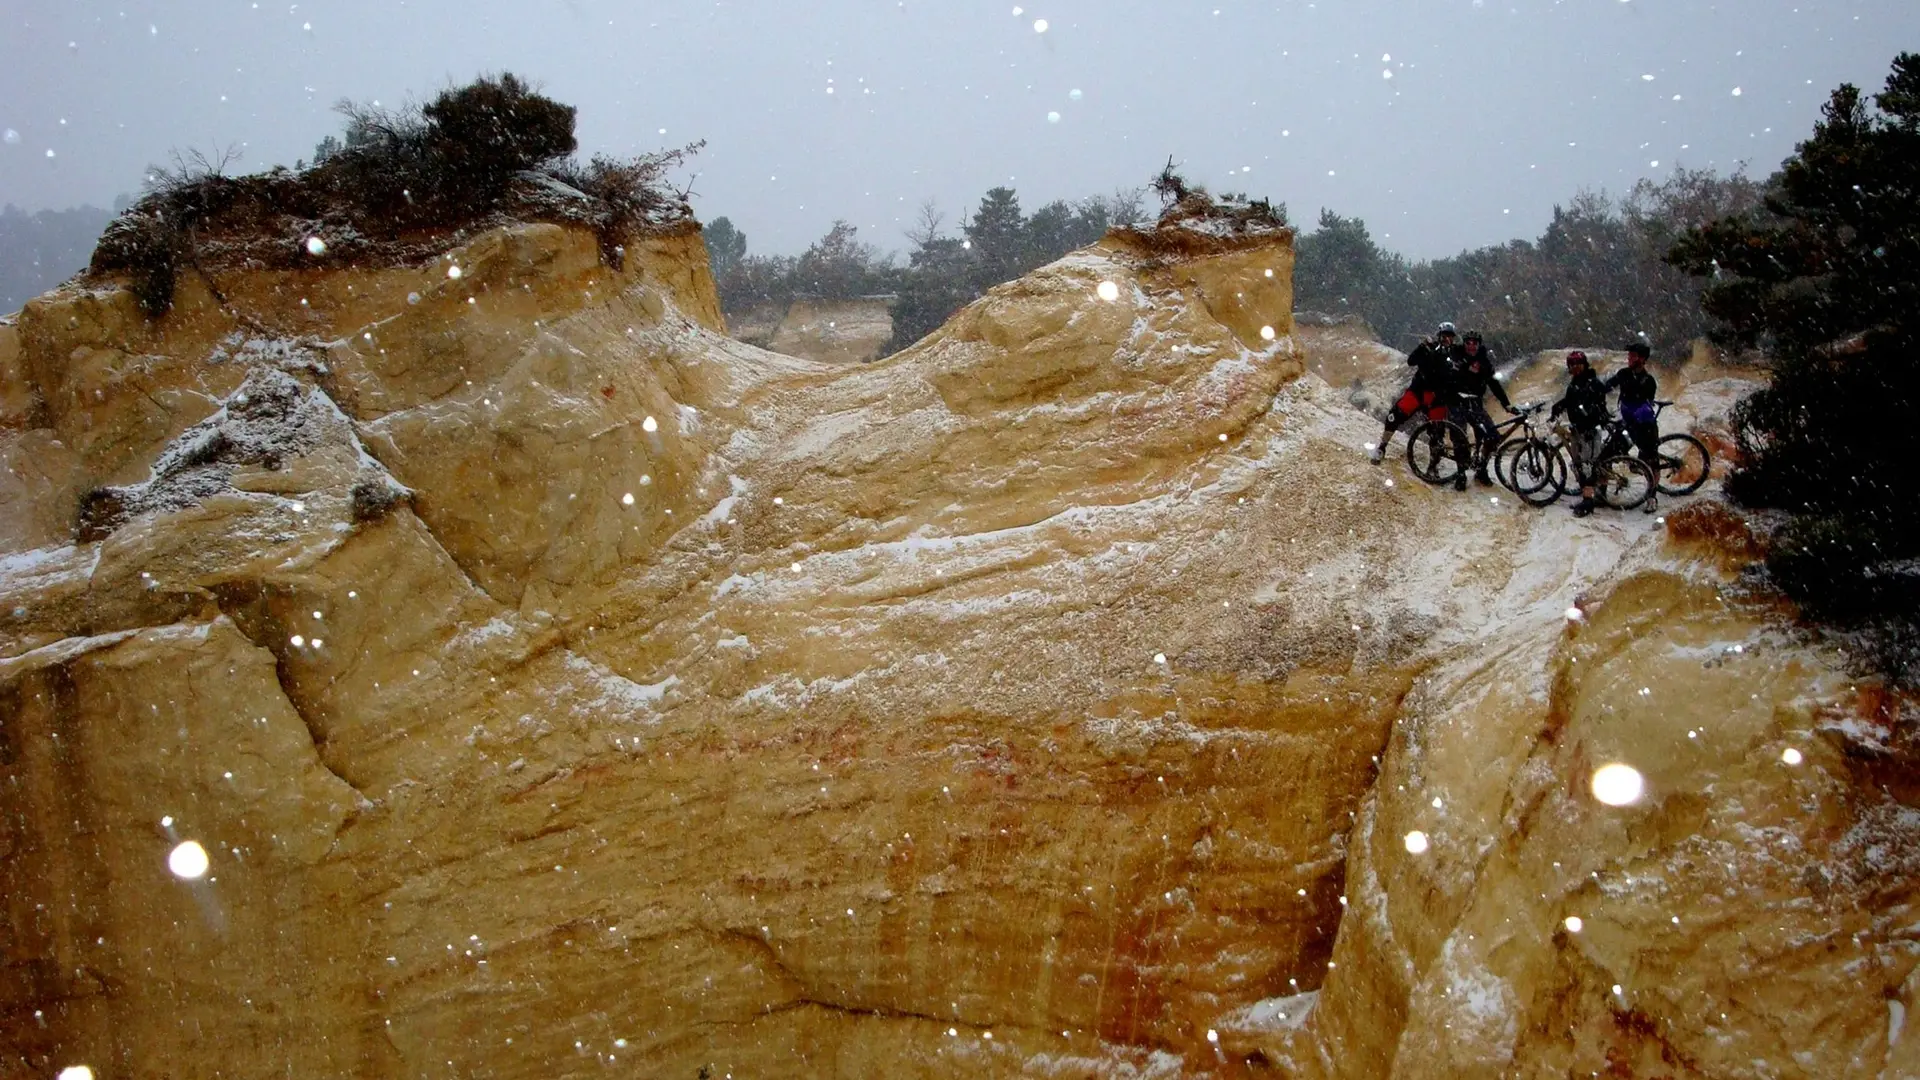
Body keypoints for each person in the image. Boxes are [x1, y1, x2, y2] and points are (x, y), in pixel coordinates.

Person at [1370, 322, 1463, 482]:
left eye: (1449, 337)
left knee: (1438, 433)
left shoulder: (1455, 354)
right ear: (1439, 336)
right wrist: (1422, 347)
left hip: (1436, 398)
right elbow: (1411, 361)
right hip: (1418, 392)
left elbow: (1454, 377)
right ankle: (1382, 447)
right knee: (1394, 417)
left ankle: (1433, 466)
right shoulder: (1428, 348)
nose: (1447, 339)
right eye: (1444, 336)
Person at [1549, 350, 1610, 517]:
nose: (1575, 367)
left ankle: (1588, 502)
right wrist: (1557, 408)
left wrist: (1590, 423)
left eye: (1578, 364)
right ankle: (1597, 495)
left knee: (1588, 466)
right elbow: (1570, 402)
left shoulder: (1593, 384)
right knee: (1581, 464)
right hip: (1578, 429)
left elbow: (1599, 406)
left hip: (1589, 430)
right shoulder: (1575, 383)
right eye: (1572, 365)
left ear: (1584, 364)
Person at [1450, 330, 1514, 486]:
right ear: (1464, 344)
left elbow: (1494, 384)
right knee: (1459, 437)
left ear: (1479, 345)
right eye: (1468, 343)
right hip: (1456, 402)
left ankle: (1481, 468)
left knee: (1492, 437)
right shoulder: (1455, 356)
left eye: (1474, 343)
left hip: (1475, 403)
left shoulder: (1484, 362)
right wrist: (1464, 367)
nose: (1471, 346)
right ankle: (1460, 473)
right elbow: (1451, 375)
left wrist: (1506, 403)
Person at [1606, 341, 1660, 511]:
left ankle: (1652, 496)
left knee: (1652, 459)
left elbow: (1646, 404)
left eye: (1633, 356)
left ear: (1642, 359)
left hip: (1644, 424)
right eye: (1629, 355)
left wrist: (1636, 415)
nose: (1629, 358)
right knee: (1607, 454)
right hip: (1627, 423)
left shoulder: (1649, 381)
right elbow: (1607, 386)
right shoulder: (1623, 374)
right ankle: (1599, 493)